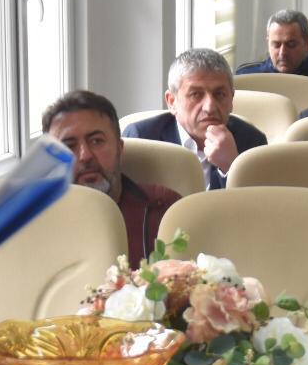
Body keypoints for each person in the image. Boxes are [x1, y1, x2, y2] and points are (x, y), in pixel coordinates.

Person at [43, 89, 180, 266]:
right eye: (69, 146)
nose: (85, 156)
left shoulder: (165, 208)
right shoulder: (37, 224)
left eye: (96, 141)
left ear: (119, 148)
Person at [123, 48, 267, 190]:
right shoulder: (142, 138)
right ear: (172, 102)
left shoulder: (252, 142)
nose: (210, 107)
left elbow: (256, 203)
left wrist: (231, 167)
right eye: (196, 94)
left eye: (220, 94)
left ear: (231, 99)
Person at [236, 8, 308, 97]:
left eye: (291, 45)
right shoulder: (246, 77)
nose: (282, 53)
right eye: (276, 45)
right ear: (268, 42)